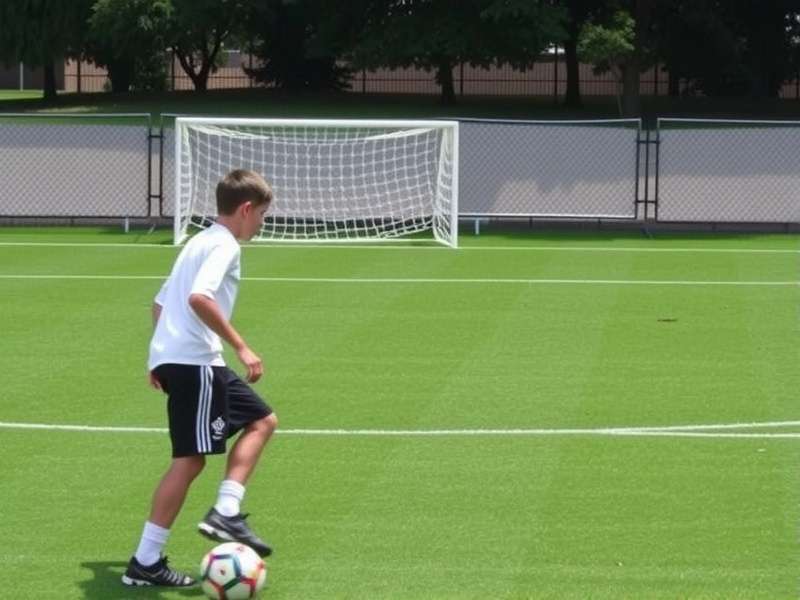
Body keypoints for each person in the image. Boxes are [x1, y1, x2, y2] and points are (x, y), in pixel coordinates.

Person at [122, 169, 278, 587]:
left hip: (184, 360)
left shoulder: (199, 240)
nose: (261, 223)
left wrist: (159, 356)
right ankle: (146, 560)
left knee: (263, 420)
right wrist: (242, 346)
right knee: (189, 460)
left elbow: (160, 304)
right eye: (262, 214)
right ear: (245, 209)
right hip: (196, 363)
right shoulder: (224, 245)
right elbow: (197, 298)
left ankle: (226, 510)